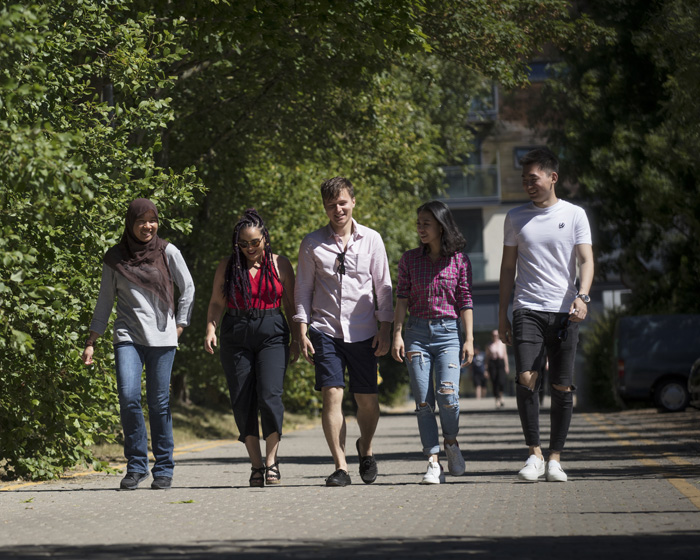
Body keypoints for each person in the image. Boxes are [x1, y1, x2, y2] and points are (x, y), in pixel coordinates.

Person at [82, 198, 195, 491]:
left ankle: (164, 469)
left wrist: (180, 323)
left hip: (162, 337)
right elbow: (105, 301)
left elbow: (188, 287)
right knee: (129, 397)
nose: (148, 226)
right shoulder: (115, 258)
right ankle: (136, 466)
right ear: (130, 223)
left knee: (159, 404)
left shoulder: (168, 251)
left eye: (152, 220)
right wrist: (92, 340)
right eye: (141, 221)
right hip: (127, 336)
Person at [498, 148, 593, 483]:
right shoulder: (515, 217)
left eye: (533, 178)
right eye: (524, 180)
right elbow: (508, 268)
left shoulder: (575, 215)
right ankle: (534, 454)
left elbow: (586, 260)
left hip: (566, 311)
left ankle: (555, 458)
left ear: (553, 178)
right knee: (526, 376)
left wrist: (582, 296)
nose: (528, 185)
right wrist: (502, 315)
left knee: (562, 386)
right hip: (527, 307)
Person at [294, 176, 393, 487]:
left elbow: (384, 287)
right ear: (324, 207)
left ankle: (366, 447)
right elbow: (302, 290)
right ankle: (341, 466)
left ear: (353, 202)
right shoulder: (312, 243)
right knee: (331, 394)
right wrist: (301, 330)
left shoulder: (372, 240)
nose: (337, 209)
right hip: (325, 330)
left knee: (368, 401)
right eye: (330, 204)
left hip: (364, 331)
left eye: (342, 202)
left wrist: (386, 328)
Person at [204, 209, 299, 487]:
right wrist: (211, 327)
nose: (249, 249)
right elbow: (216, 303)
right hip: (236, 331)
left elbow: (291, 305)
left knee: (270, 396)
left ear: (265, 238)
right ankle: (256, 465)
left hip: (272, 330)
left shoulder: (281, 264)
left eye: (254, 243)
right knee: (243, 400)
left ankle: (272, 462)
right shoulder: (227, 266)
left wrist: (296, 338)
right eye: (243, 244)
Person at [392, 200, 474, 484]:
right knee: (424, 402)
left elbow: (465, 301)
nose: (420, 228)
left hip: (449, 334)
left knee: (448, 396)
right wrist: (397, 334)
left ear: (441, 225)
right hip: (416, 334)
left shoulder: (460, 261)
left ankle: (451, 442)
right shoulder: (409, 259)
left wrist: (470, 339)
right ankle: (432, 460)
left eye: (426, 223)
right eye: (419, 223)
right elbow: (401, 299)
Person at [486, 329, 509, 408]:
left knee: (501, 381)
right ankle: (497, 399)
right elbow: (487, 357)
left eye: (496, 335)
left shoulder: (502, 344)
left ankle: (501, 397)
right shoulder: (489, 345)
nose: (495, 336)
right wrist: (486, 369)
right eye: (493, 335)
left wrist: (506, 366)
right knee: (494, 382)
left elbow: (505, 355)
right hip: (493, 363)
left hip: (500, 363)